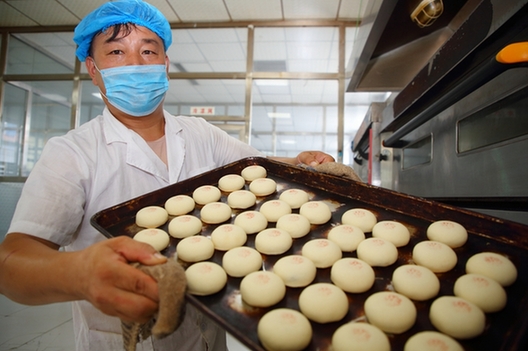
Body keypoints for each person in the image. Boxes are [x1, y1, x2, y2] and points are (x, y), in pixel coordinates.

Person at [0, 1, 334, 350]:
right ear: (93, 69)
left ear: (165, 65)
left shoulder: (200, 133)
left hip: (206, 335)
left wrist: (300, 160)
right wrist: (80, 274)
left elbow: (256, 164)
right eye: (116, 51)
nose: (134, 63)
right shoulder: (73, 153)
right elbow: (11, 264)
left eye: (148, 50)